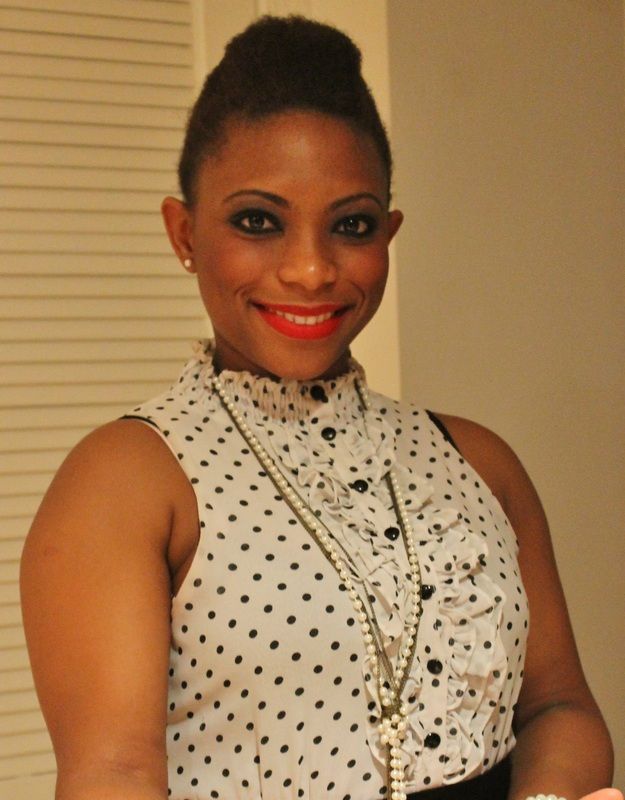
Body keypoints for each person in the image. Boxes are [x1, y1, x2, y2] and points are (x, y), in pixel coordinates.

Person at [20, 15, 619, 800]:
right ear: (184, 232)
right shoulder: (127, 479)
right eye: (257, 221)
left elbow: (558, 708)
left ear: (388, 236)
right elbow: (113, 775)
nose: (309, 269)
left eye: (351, 225)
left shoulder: (480, 463)